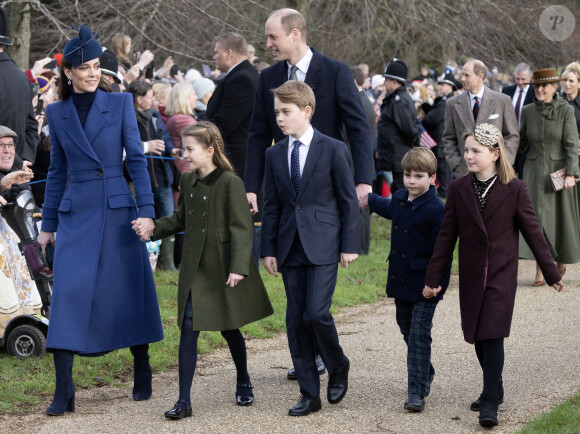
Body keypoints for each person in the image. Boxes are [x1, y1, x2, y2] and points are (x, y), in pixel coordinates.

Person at [36, 24, 164, 416]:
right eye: (84, 67)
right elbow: (57, 171)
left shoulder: (122, 103)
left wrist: (147, 212)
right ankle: (64, 389)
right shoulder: (56, 114)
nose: (92, 73)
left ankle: (141, 366)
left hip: (117, 211)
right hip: (76, 214)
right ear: (69, 72)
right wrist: (48, 224)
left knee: (127, 289)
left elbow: (137, 162)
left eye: (96, 66)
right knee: (67, 298)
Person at [423, 123, 564, 428]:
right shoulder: (459, 188)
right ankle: (495, 385)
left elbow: (534, 233)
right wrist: (434, 278)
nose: (468, 156)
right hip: (473, 276)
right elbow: (446, 237)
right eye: (467, 150)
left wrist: (551, 273)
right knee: (476, 335)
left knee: (492, 333)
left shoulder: (515, 190)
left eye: (476, 151)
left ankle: (489, 400)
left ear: (495, 154)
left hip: (501, 274)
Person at [132, 122, 273, 419]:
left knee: (229, 327)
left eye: (190, 149)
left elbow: (242, 228)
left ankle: (243, 379)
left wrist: (238, 268)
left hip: (222, 267)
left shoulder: (230, 182)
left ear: (209, 151)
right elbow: (181, 219)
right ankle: (184, 401)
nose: (185, 155)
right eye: (184, 149)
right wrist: (153, 228)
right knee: (188, 328)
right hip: (195, 268)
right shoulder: (187, 181)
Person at [261, 80, 359, 416]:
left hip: (324, 243)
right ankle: (309, 393)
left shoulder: (332, 148)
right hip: (289, 246)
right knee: (295, 319)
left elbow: (348, 201)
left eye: (286, 112)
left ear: (307, 111)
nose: (280, 119)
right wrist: (268, 249)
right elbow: (271, 204)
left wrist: (350, 244)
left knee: (316, 313)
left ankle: (338, 364)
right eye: (276, 112)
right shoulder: (274, 153)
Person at [244, 8, 373, 214]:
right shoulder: (267, 77)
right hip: (283, 190)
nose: (268, 44)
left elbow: (358, 128)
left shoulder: (336, 72)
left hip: (328, 188)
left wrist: (364, 180)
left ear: (295, 34)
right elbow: (258, 135)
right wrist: (250, 186)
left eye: (273, 37)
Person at [362, 147, 450, 413]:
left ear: (432, 178)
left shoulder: (437, 209)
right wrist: (366, 197)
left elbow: (443, 250)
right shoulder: (400, 199)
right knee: (406, 327)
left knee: (419, 334)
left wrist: (436, 284)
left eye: (418, 176)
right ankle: (425, 369)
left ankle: (416, 391)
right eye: (407, 175)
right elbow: (386, 206)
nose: (411, 181)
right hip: (401, 280)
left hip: (427, 283)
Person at [518, 68, 580, 284]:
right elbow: (521, 143)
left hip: (559, 172)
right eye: (537, 85)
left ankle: (561, 259)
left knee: (559, 219)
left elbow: (572, 145)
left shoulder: (566, 110)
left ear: (555, 87)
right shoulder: (527, 111)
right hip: (534, 172)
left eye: (545, 85)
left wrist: (572, 173)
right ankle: (541, 268)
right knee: (536, 220)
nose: (540, 89)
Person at [128, 80, 177, 270]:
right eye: (150, 97)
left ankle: (168, 264)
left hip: (163, 179)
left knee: (168, 219)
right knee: (140, 223)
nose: (153, 100)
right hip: (140, 183)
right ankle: (144, 264)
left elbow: (165, 141)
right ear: (139, 100)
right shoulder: (128, 120)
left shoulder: (156, 117)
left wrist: (172, 151)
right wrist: (145, 147)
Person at [442, 59, 519, 178]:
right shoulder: (452, 104)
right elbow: (448, 137)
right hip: (464, 172)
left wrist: (504, 162)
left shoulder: (502, 101)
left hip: (495, 173)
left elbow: (512, 136)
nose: (462, 79)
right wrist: (456, 163)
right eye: (462, 75)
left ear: (480, 76)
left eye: (467, 75)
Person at [207, 32, 259, 178]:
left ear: (228, 53)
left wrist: (199, 135)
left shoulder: (242, 79)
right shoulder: (242, 74)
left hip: (236, 161)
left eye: (216, 53)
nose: (214, 57)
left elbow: (225, 122)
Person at [0, 6, 39, 165]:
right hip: (16, 175)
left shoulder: (21, 77)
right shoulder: (21, 77)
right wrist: (22, 161)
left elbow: (30, 126)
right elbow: (32, 127)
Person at [376, 59, 421, 193]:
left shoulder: (399, 101)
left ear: (395, 82)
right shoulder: (395, 99)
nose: (384, 83)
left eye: (387, 80)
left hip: (399, 157)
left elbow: (410, 131)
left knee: (401, 192)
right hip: (394, 156)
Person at [421, 72, 457, 197]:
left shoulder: (448, 101)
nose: (440, 86)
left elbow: (432, 118)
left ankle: (444, 191)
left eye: (443, 84)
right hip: (439, 139)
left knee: (442, 167)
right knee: (440, 166)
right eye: (440, 84)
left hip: (443, 139)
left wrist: (422, 121)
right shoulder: (443, 100)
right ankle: (444, 190)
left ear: (451, 87)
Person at [502, 63, 534, 178]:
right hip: (508, 141)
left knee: (523, 176)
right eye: (517, 79)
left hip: (527, 143)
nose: (520, 82)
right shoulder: (506, 91)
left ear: (530, 77)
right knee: (506, 176)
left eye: (523, 79)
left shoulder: (535, 93)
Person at [561, 61, 580, 202]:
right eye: (565, 80)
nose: (567, 84)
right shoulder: (557, 102)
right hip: (560, 156)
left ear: (579, 83)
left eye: (571, 81)